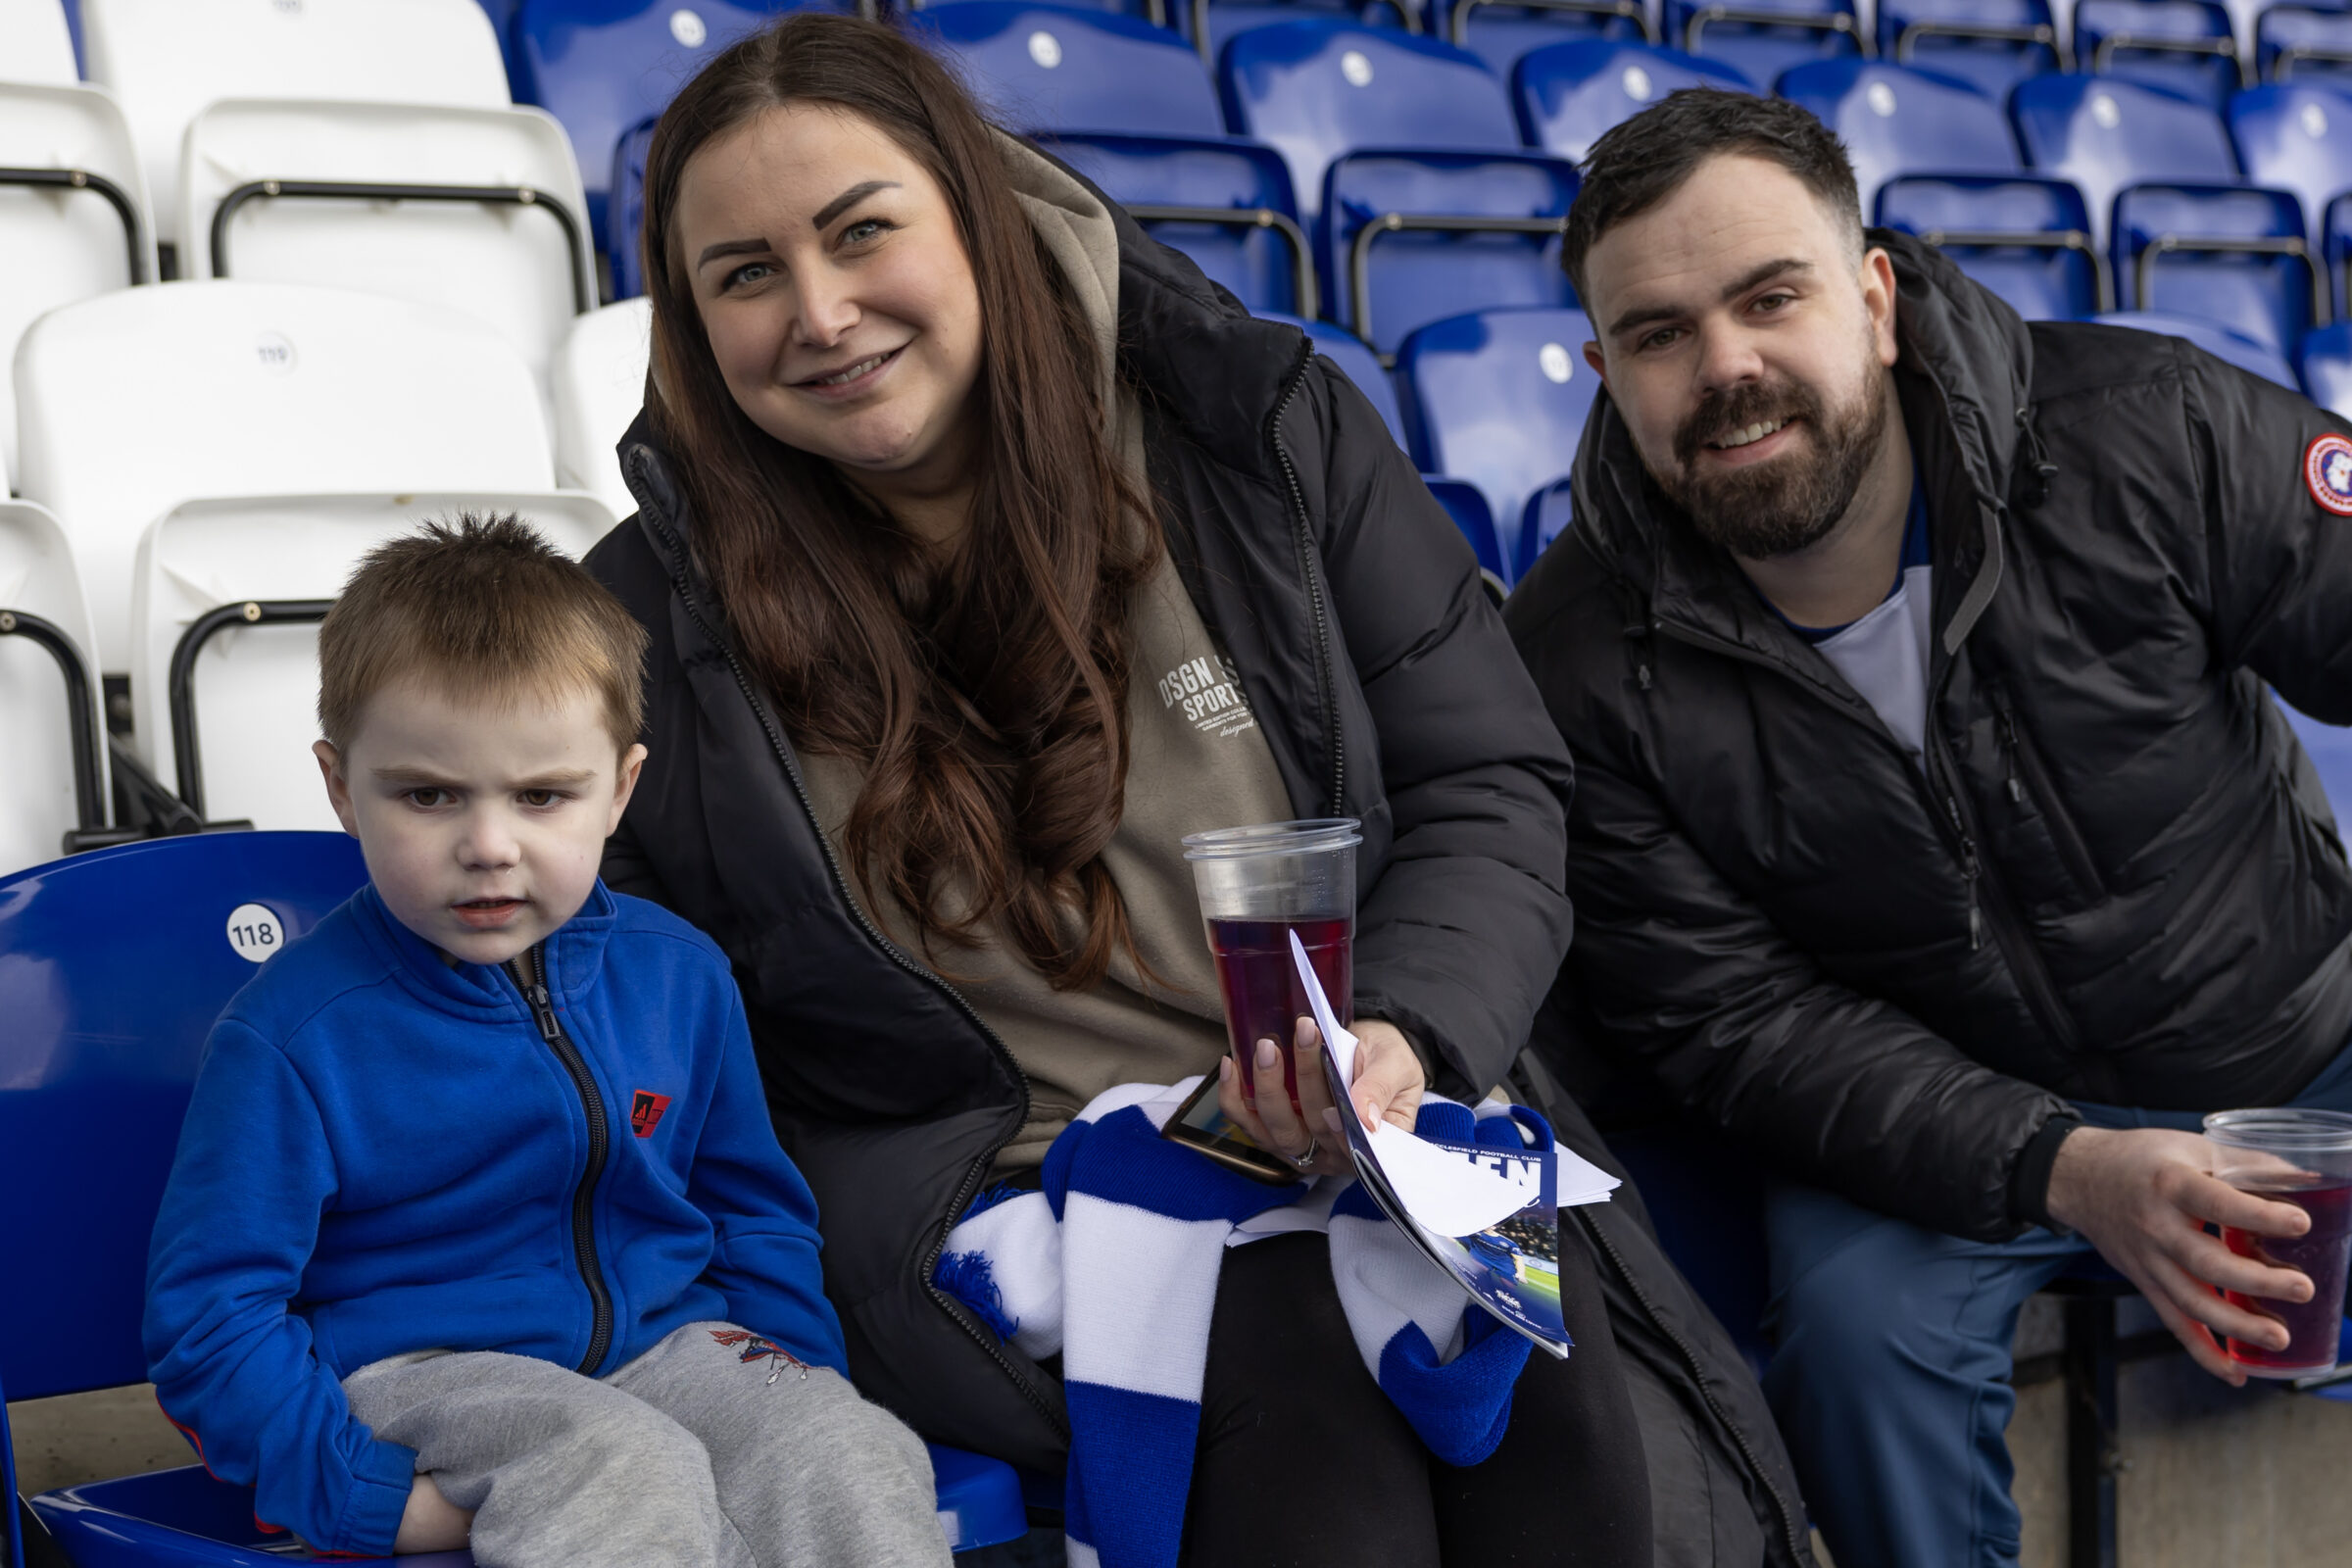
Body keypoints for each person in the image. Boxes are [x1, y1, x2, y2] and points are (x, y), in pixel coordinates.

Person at [581, 15, 1813, 1565]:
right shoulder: (646, 622)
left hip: (1373, 1114)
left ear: (978, 218)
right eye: (745, 274)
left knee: (1533, 1368)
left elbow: (1487, 779)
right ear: (690, 323)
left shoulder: (1255, 432)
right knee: (1300, 1375)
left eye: (863, 231)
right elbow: (645, 1021)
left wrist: (1404, 1034)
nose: (821, 313)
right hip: (993, 1188)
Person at [1505, 86, 2352, 1568]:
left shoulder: (2146, 429)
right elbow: (1737, 1026)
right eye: (1659, 334)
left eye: (1772, 297)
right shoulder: (1574, 660)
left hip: (2294, 1048)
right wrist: (2067, 1165)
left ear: (1877, 299)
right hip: (1939, 1132)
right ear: (1604, 371)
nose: (1728, 365)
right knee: (1857, 1342)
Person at [143, 515, 950, 1568]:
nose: (489, 846)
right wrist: (358, 1499)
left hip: (670, 1348)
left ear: (620, 789)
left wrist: (788, 1388)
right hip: (422, 1374)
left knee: (845, 1446)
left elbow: (754, 1213)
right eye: (428, 794)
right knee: (618, 1462)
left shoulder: (681, 973)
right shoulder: (290, 1036)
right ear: (341, 788)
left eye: (541, 796)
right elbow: (212, 1316)